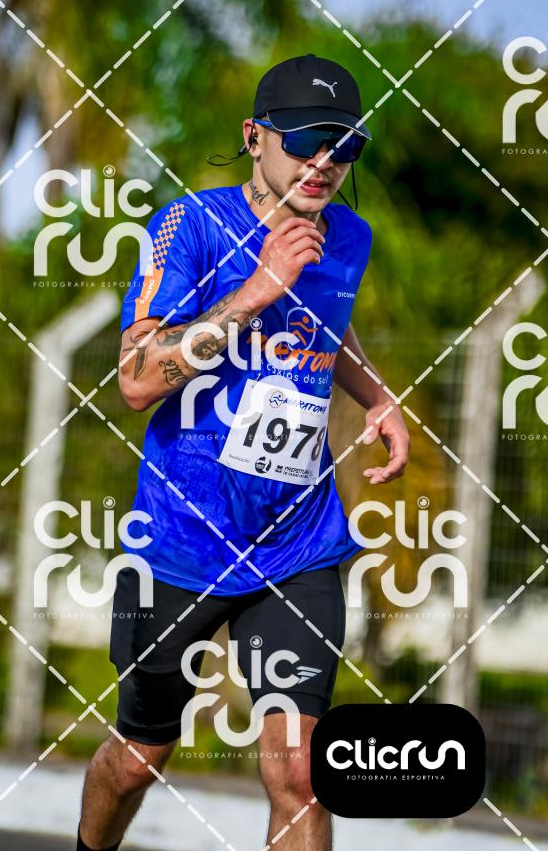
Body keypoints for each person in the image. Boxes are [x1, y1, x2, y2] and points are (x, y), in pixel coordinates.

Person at [76, 53, 409, 851]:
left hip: (298, 544)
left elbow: (325, 325)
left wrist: (376, 395)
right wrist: (258, 288)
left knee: (301, 772)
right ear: (255, 137)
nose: (324, 163)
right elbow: (135, 380)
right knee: (138, 759)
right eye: (305, 142)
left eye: (344, 146)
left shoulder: (349, 237)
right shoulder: (188, 226)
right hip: (180, 544)